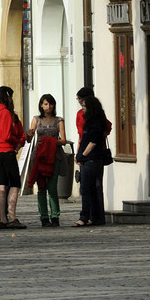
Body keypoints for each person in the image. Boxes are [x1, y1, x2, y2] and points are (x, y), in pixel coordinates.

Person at [0, 85, 27, 229]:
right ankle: (12, 217)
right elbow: (7, 135)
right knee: (15, 184)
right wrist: (18, 141)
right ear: (7, 96)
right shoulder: (6, 113)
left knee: (1, 185)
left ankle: (2, 218)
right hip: (6, 151)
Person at [26, 94, 66, 227]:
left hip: (55, 156)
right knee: (41, 187)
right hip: (39, 157)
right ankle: (44, 217)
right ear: (41, 106)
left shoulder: (59, 120)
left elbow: (63, 140)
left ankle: (55, 216)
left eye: (50, 104)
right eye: (45, 104)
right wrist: (29, 134)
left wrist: (52, 142)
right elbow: (29, 137)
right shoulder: (36, 119)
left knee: (52, 187)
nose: (48, 107)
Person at [74, 87, 111, 227]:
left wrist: (82, 155)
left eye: (83, 104)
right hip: (93, 157)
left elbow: (92, 140)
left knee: (87, 188)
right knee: (95, 188)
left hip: (91, 158)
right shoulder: (95, 119)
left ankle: (86, 217)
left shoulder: (95, 122)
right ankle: (96, 217)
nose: (81, 107)